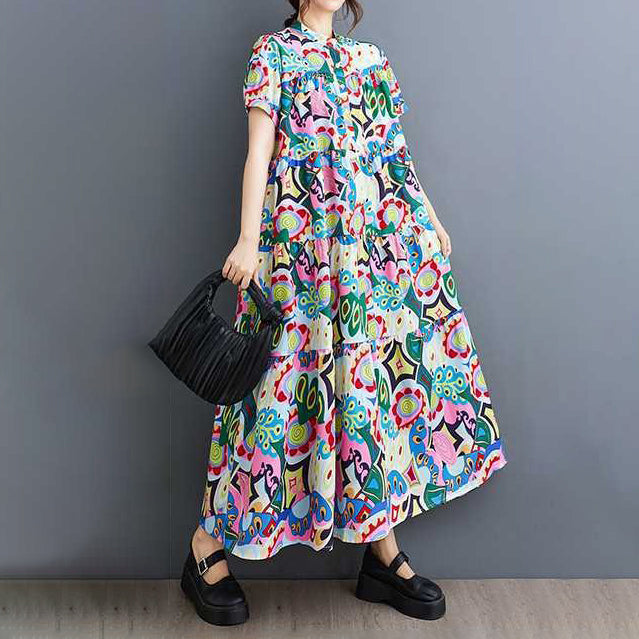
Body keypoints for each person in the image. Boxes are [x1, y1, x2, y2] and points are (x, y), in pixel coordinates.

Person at [180, 0, 508, 626]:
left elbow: (394, 157)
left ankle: (381, 553)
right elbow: (259, 155)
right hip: (296, 255)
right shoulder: (273, 53)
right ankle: (206, 545)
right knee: (271, 393)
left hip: (365, 259)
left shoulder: (369, 60)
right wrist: (246, 239)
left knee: (368, 392)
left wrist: (430, 219)